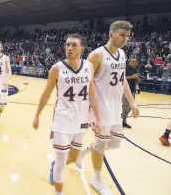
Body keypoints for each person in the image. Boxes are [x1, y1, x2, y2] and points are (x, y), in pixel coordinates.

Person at [32, 34, 101, 195]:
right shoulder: (57, 68)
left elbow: (92, 94)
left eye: (74, 45)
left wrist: (97, 117)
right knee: (62, 163)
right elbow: (46, 94)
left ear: (82, 49)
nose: (69, 48)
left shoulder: (89, 67)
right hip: (62, 120)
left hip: (82, 120)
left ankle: (54, 164)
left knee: (74, 157)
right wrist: (37, 115)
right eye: (67, 45)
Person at [76, 21, 139, 195]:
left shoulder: (122, 54)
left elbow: (123, 78)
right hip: (100, 108)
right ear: (111, 35)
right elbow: (86, 84)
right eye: (122, 35)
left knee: (109, 143)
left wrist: (132, 102)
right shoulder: (97, 55)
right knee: (102, 145)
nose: (126, 39)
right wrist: (94, 113)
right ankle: (97, 180)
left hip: (115, 106)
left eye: (127, 36)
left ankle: (83, 152)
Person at [122, 56, 140, 128]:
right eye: (131, 61)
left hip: (132, 90)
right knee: (124, 107)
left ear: (137, 63)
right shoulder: (125, 68)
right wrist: (132, 77)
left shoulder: (137, 70)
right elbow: (121, 77)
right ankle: (119, 122)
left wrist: (138, 80)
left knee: (129, 107)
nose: (132, 62)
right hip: (125, 90)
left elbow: (137, 79)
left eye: (134, 61)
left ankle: (124, 122)